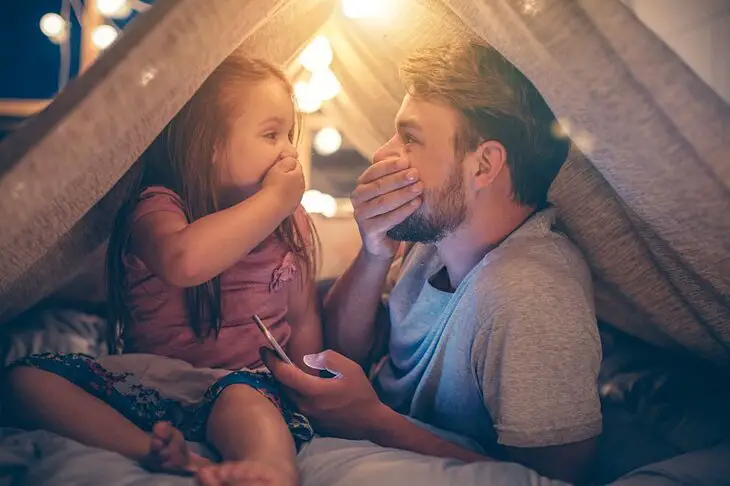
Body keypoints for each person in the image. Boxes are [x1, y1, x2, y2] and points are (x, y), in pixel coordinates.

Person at [263, 40, 602, 484]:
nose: (384, 154)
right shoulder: (435, 237)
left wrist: (371, 421)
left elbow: (556, 479)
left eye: (410, 137)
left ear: (484, 166)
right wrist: (374, 252)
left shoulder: (529, 293)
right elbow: (342, 352)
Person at [3, 51, 322, 486]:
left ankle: (270, 471)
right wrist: (274, 201)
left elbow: (302, 316)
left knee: (247, 405)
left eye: (289, 134)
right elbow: (184, 261)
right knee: (24, 379)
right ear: (209, 144)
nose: (288, 150)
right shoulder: (157, 205)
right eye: (272, 134)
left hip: (239, 386)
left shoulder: (289, 223)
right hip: (148, 385)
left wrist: (310, 387)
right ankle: (158, 452)